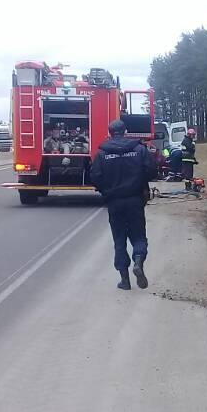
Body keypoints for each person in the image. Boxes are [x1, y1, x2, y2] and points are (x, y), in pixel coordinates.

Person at [90, 118, 159, 290]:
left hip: (114, 202)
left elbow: (95, 177)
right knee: (139, 236)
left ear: (110, 133)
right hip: (136, 199)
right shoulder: (139, 150)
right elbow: (152, 171)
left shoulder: (102, 154)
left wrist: (106, 190)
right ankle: (138, 260)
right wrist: (140, 181)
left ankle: (125, 280)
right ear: (126, 132)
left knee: (119, 240)